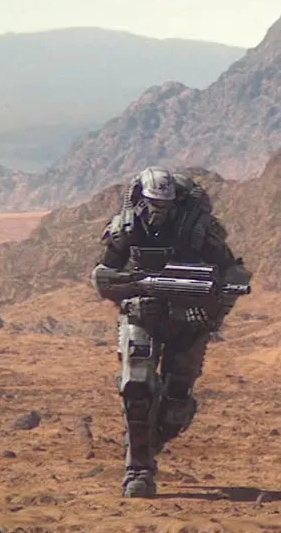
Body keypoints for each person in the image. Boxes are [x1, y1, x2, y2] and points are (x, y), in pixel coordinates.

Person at [90, 166, 250, 497]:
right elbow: (104, 275)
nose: (158, 211)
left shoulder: (196, 228)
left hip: (188, 322)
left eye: (165, 204)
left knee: (176, 405)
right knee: (136, 389)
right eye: (153, 203)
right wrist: (134, 293)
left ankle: (147, 446)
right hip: (142, 317)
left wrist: (213, 309)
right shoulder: (126, 228)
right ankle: (138, 470)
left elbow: (232, 271)